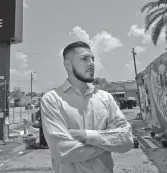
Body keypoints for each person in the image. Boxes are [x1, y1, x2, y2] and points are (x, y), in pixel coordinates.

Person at [41, 41, 133, 173]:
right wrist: (108, 138)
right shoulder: (52, 99)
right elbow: (62, 151)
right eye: (84, 59)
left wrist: (85, 135)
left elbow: (127, 141)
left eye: (92, 59)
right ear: (68, 65)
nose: (91, 63)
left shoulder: (105, 98)